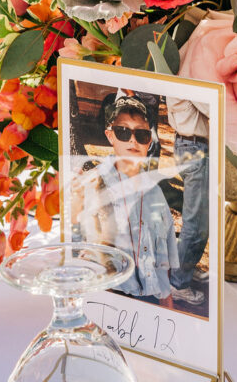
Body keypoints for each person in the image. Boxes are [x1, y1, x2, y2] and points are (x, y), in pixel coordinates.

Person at [73, 95, 179, 308]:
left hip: (151, 299)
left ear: (149, 141)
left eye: (141, 134)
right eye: (123, 132)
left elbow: (165, 255)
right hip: (110, 300)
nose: (133, 141)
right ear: (110, 136)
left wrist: (166, 300)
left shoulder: (155, 191)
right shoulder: (91, 186)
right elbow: (79, 253)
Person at [165, 95, 210, 307]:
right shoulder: (186, 77)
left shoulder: (174, 74)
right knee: (197, 222)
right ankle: (179, 283)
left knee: (196, 219)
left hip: (186, 145)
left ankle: (185, 270)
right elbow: (213, 108)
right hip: (195, 148)